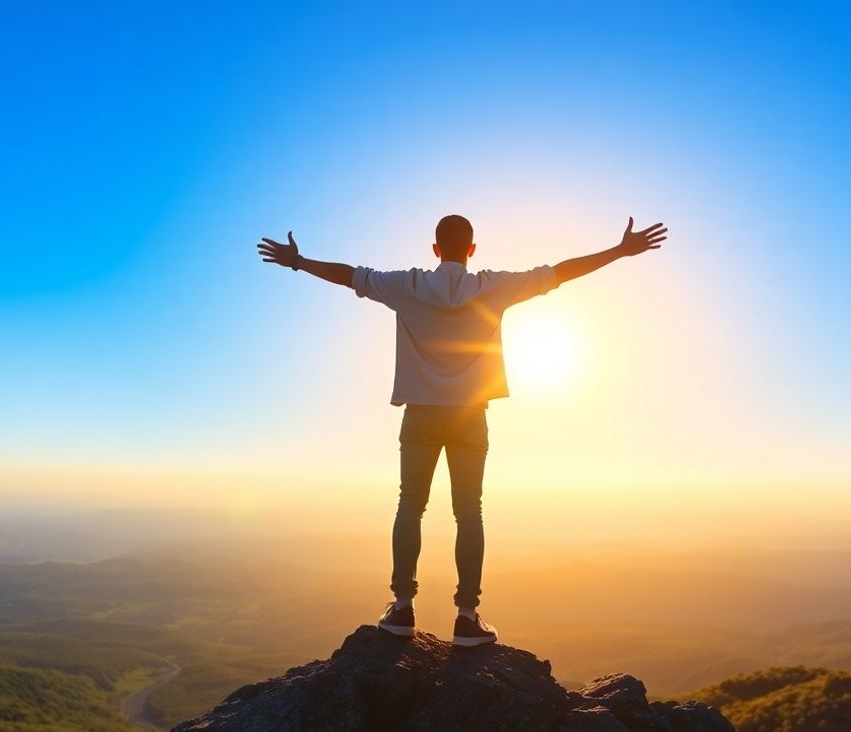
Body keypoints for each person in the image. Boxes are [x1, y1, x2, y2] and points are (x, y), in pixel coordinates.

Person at [257, 215, 669, 646]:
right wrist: (618, 251)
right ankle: (467, 617)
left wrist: (299, 261)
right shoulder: (493, 286)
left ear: (435, 249)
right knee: (468, 512)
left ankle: (401, 609)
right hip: (470, 415)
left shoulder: (407, 285)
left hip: (420, 414)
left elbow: (349, 276)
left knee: (410, 505)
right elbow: (560, 273)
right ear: (472, 249)